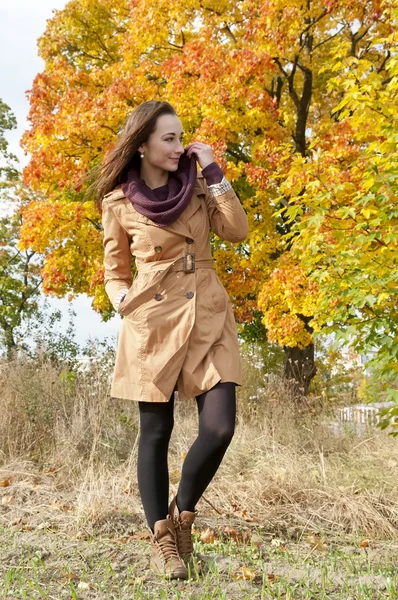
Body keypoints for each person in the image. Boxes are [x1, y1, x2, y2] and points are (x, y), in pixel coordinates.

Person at [97, 100, 249, 580]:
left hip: (207, 312)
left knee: (220, 426)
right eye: (169, 138)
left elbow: (238, 231)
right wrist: (121, 299)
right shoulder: (118, 203)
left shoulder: (200, 187)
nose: (178, 146)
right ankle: (163, 538)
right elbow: (114, 271)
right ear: (141, 145)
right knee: (155, 433)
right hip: (154, 318)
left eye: (181, 137)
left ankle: (183, 510)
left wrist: (212, 166)